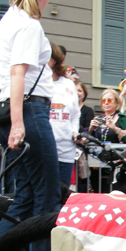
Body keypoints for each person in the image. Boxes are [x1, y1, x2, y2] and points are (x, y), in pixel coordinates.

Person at [0, 0, 62, 251]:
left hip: (15, 112)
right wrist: (19, 124)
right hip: (27, 113)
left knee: (27, 196)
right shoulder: (29, 25)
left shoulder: (10, 20)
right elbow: (18, 74)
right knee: (47, 200)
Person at [48, 42, 80, 187]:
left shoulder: (68, 84)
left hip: (65, 148)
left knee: (62, 190)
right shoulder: (38, 83)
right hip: (45, 146)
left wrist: (74, 131)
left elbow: (75, 114)